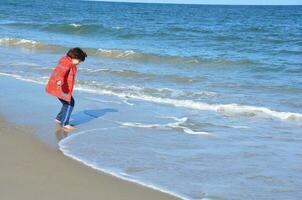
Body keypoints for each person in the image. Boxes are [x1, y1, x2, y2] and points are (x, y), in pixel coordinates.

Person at [45, 47, 87, 131]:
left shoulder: (66, 61)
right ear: (75, 57)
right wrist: (59, 80)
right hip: (61, 87)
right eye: (79, 61)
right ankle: (65, 123)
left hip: (60, 87)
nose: (79, 63)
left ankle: (59, 119)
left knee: (66, 103)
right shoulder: (66, 63)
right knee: (70, 103)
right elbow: (61, 72)